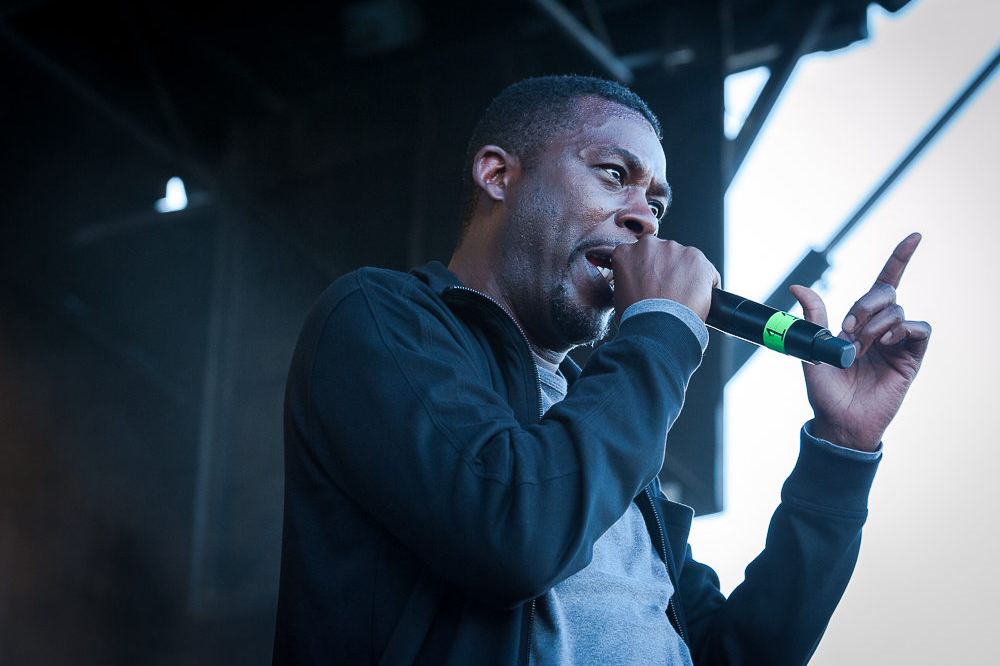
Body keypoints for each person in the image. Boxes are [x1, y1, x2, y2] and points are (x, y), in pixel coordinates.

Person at [271, 76, 930, 665]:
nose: (644, 219)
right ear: (498, 175)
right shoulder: (379, 317)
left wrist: (842, 452)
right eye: (615, 174)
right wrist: (663, 328)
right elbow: (514, 536)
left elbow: (739, 655)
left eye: (657, 205)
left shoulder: (603, 428)